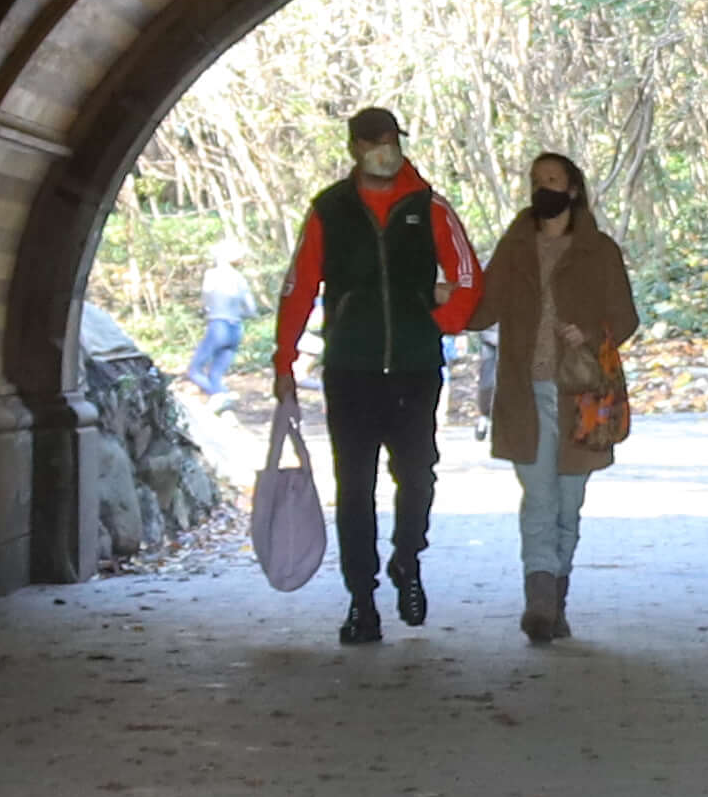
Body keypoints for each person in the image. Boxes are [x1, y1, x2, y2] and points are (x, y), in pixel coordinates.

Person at [272, 105, 484, 647]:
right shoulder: (330, 211)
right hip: (351, 368)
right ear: (354, 149)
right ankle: (361, 599)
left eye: (388, 140)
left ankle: (407, 558)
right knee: (355, 486)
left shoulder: (430, 208)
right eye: (371, 142)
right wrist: (284, 360)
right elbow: (299, 286)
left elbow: (466, 278)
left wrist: (440, 321)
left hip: (414, 367)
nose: (381, 150)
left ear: (399, 142)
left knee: (418, 476)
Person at [482, 150, 640, 644]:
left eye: (552, 180)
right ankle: (540, 601)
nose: (542, 189)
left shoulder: (600, 251)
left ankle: (557, 599)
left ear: (572, 189)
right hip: (522, 393)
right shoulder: (514, 246)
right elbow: (481, 307)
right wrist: (444, 294)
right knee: (538, 499)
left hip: (581, 395)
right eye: (535, 180)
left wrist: (590, 334)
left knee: (568, 505)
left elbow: (627, 320)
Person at [186, 251, 249, 398]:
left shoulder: (212, 275)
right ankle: (221, 400)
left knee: (194, 371)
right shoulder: (240, 278)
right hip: (237, 328)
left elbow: (206, 296)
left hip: (219, 325)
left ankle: (220, 395)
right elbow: (251, 308)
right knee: (215, 374)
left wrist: (208, 310)